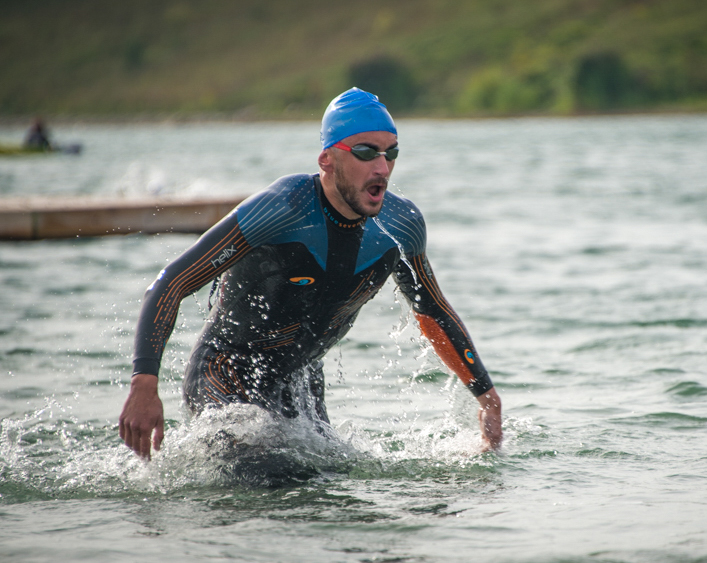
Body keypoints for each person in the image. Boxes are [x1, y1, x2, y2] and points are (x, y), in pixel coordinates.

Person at [118, 88, 502, 459]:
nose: (382, 167)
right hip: (226, 373)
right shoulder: (282, 209)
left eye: (391, 153)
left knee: (327, 485)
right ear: (327, 161)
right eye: (366, 152)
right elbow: (171, 283)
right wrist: (144, 385)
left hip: (300, 382)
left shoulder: (401, 225)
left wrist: (486, 396)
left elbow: (432, 311)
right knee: (264, 470)